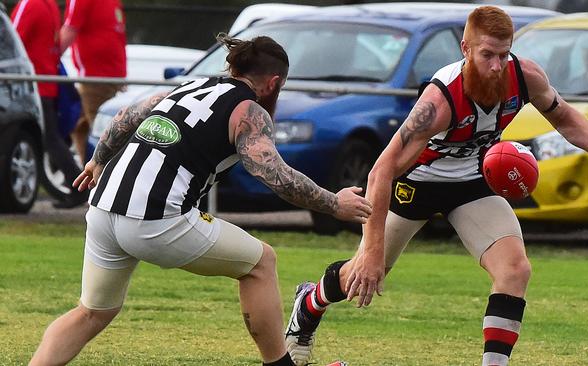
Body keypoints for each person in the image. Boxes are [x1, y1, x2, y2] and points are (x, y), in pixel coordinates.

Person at [284, 6, 588, 366]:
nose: (496, 65)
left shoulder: (525, 76)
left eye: (503, 55)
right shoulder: (440, 100)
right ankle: (310, 301)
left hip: (472, 181)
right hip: (415, 184)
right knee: (362, 276)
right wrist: (373, 249)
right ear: (465, 49)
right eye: (487, 54)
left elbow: (563, 115)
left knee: (515, 270)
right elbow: (382, 170)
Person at [28, 34, 372, 366]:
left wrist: (98, 160)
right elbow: (275, 175)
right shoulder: (250, 112)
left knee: (92, 311)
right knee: (261, 263)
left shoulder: (189, 86)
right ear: (274, 82)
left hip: (102, 208)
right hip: (155, 219)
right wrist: (335, 203)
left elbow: (127, 116)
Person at [11, 0, 87, 208]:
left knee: (48, 140)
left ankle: (78, 186)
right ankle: (77, 186)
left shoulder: (31, 4)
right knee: (50, 140)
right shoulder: (49, 5)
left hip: (31, 85)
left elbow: (11, 39)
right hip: (46, 82)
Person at [59, 0, 127, 164]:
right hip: (110, 75)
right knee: (80, 126)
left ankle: (102, 181)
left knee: (104, 137)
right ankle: (84, 177)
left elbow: (69, 30)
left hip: (95, 78)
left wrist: (40, 64)